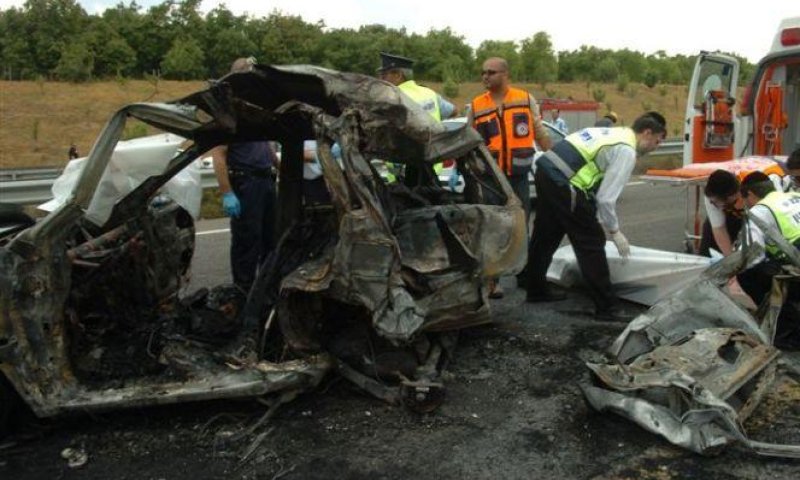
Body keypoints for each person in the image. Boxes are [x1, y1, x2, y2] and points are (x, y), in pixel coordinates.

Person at [525, 111, 667, 322]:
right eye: (656, 141)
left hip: (547, 170)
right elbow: (606, 199)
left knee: (547, 232)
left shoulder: (612, 133)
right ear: (647, 133)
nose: (656, 147)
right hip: (566, 180)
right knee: (591, 241)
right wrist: (614, 231)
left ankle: (535, 288)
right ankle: (606, 306)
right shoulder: (626, 150)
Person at [469, 56, 553, 298]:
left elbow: (538, 131)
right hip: (491, 178)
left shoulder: (524, 99)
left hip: (518, 175)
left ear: (505, 74)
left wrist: (553, 159)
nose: (485, 76)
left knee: (519, 227)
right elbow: (470, 141)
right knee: (493, 228)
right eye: (483, 72)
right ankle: (492, 281)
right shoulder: (476, 105)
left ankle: (524, 274)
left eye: (491, 72)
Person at [211, 57, 278, 292]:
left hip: (265, 181)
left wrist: (279, 167)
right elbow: (218, 155)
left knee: (270, 239)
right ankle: (243, 292)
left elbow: (266, 146)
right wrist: (227, 192)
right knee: (247, 242)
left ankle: (265, 290)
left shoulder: (254, 111)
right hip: (246, 182)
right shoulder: (229, 112)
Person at [737, 171, 800, 347]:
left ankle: (788, 333)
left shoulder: (760, 210)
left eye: (745, 200)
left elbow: (753, 256)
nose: (746, 205)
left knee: (748, 274)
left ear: (749, 194)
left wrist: (734, 266)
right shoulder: (794, 196)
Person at [377, 52, 455, 121]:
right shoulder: (429, 92)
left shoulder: (391, 99)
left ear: (398, 75)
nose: (380, 80)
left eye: (384, 75)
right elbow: (453, 111)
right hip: (436, 137)